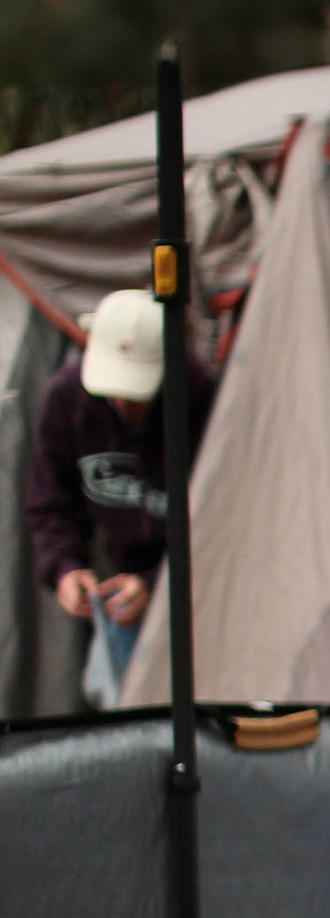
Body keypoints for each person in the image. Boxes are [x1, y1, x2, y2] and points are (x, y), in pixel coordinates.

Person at [23, 288, 213, 705]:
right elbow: (51, 501)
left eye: (137, 388)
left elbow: (232, 522)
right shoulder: (66, 399)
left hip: (209, 599)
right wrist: (66, 567)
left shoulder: (206, 400)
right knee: (132, 710)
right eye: (115, 385)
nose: (124, 399)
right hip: (122, 599)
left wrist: (158, 583)